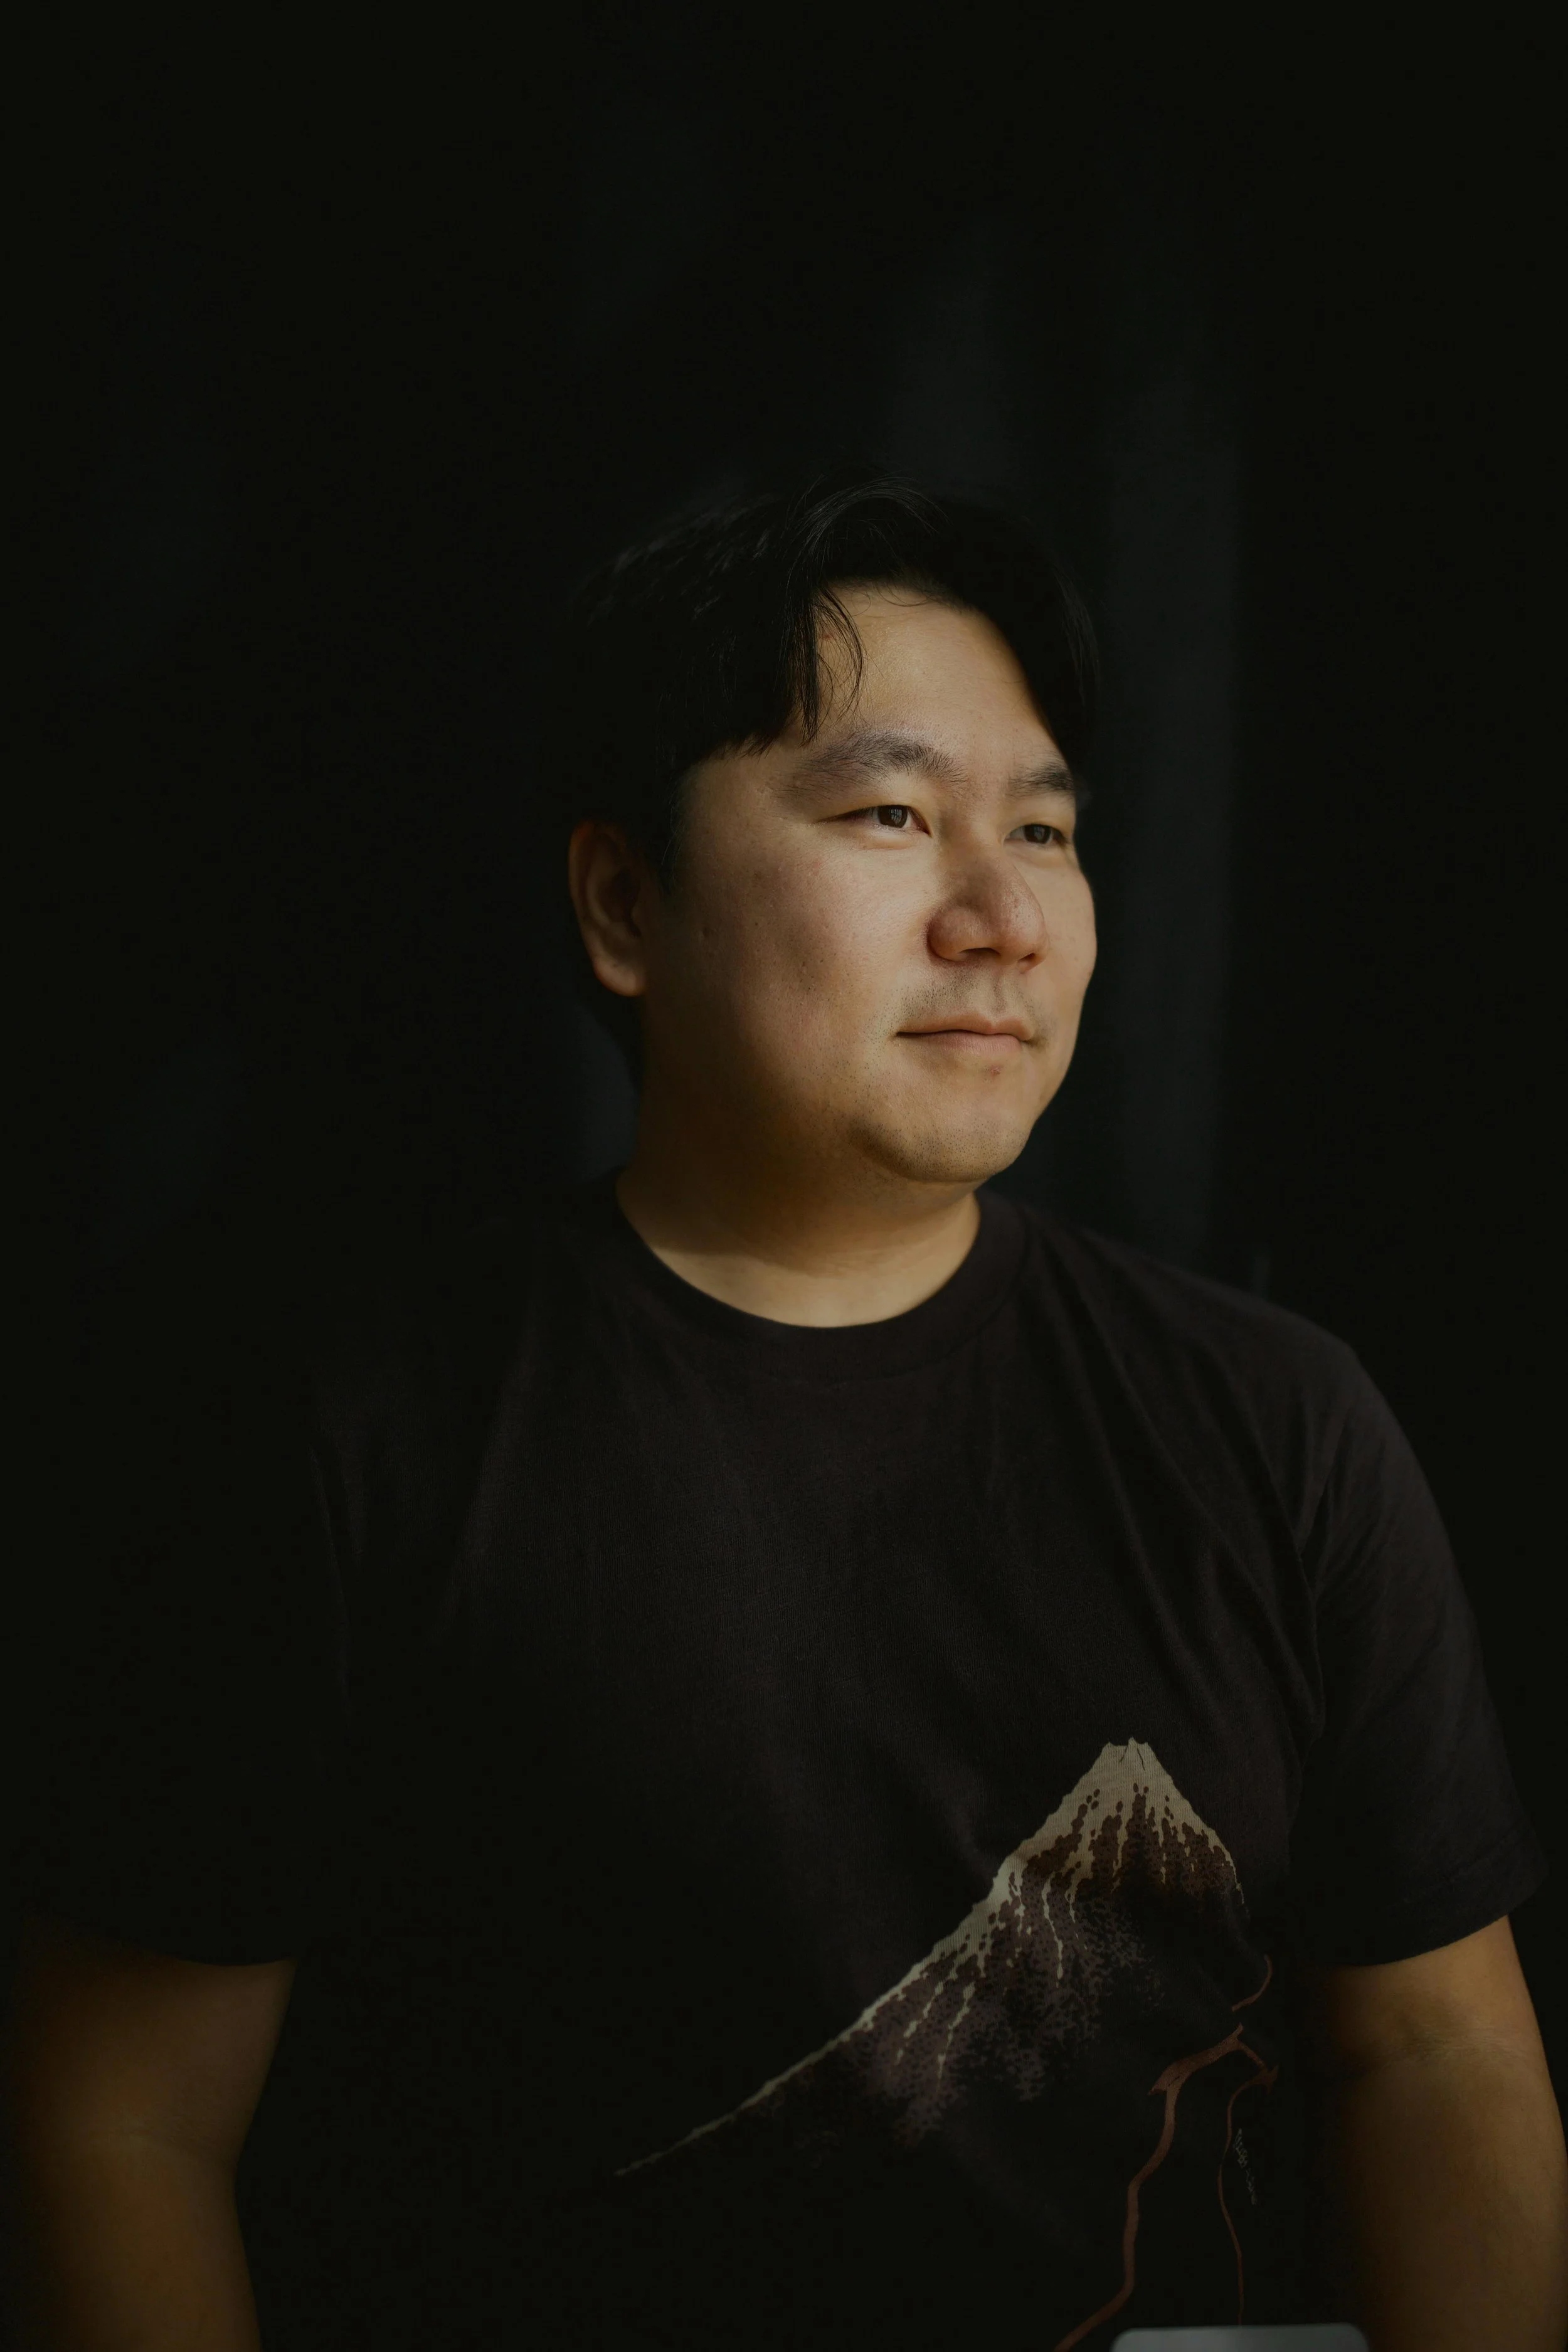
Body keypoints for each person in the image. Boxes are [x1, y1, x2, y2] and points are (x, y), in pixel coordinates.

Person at [8, 473, 1565, 2350]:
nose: (1000, 913)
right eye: (891, 814)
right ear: (620, 900)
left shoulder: (1275, 1417)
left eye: (1048, 830)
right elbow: (123, 2121)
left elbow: (1428, 2048)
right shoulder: (344, 1427)